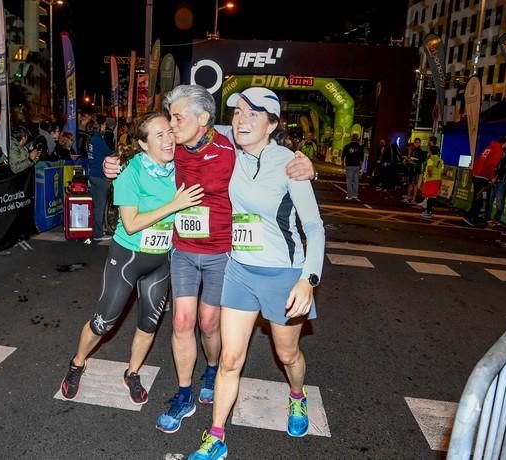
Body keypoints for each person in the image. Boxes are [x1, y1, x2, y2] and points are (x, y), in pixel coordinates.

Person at [103, 85, 317, 436]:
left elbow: (268, 157)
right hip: (184, 248)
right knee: (183, 321)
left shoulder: (231, 144)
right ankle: (184, 392)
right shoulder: (173, 150)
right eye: (170, 118)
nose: (171, 126)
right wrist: (112, 165)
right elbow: (142, 159)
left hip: (223, 251)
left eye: (178, 117)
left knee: (208, 322)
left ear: (203, 120)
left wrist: (308, 169)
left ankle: (213, 369)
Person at [188, 87, 324, 459]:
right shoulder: (230, 150)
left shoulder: (289, 164)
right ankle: (216, 436)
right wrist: (120, 161)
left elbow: (314, 228)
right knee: (231, 359)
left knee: (288, 355)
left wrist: (307, 279)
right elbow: (184, 129)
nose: (241, 119)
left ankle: (297, 396)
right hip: (239, 271)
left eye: (253, 114)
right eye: (237, 112)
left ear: (273, 124)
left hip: (283, 275)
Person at [59, 112, 204, 405]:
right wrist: (174, 204)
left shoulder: (180, 166)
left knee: (149, 324)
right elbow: (131, 223)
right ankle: (77, 363)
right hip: (128, 256)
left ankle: (133, 373)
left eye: (169, 133)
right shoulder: (129, 171)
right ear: (143, 144)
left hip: (160, 259)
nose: (168, 139)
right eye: (159, 135)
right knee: (103, 322)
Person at [463, 136, 506, 227]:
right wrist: (492, 177)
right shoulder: (498, 150)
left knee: (477, 197)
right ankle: (472, 218)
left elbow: (479, 159)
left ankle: (470, 215)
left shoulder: (489, 147)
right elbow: (490, 165)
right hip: (483, 176)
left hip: (477, 174)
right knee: (479, 198)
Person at [87, 116, 114, 242]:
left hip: (92, 175)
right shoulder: (98, 140)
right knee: (100, 206)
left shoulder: (91, 139)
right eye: (104, 125)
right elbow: (110, 153)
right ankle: (98, 233)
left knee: (94, 205)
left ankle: (94, 230)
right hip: (100, 176)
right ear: (101, 125)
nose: (105, 128)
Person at [488, 138, 506, 226]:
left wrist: (502, 177)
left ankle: (497, 219)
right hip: (497, 179)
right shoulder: (503, 154)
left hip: (503, 180)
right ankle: (488, 217)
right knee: (490, 199)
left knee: (499, 201)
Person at [419, 145, 444, 219]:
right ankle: (428, 211)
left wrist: (426, 179)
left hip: (430, 180)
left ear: (430, 151)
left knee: (430, 196)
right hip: (438, 179)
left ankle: (428, 212)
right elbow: (442, 170)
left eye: (429, 150)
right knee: (433, 196)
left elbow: (429, 170)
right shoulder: (440, 160)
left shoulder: (430, 160)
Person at [341, 133, 363, 200]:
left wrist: (342, 163)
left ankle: (350, 195)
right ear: (357, 139)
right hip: (356, 165)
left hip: (349, 165)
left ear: (351, 138)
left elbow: (343, 155)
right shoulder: (360, 147)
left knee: (349, 180)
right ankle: (355, 195)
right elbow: (362, 157)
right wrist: (361, 165)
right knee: (356, 180)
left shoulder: (347, 146)